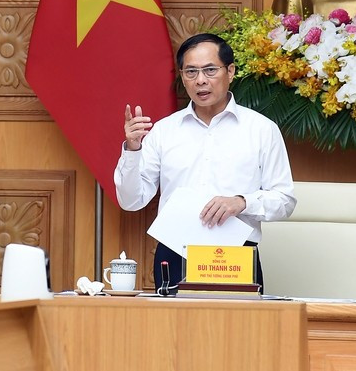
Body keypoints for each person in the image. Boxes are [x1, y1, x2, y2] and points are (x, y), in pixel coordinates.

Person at [114, 33, 296, 291]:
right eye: (191, 72)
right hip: (175, 253)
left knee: (240, 320)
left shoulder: (261, 130)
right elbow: (132, 201)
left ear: (230, 71)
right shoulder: (164, 131)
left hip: (236, 257)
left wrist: (242, 202)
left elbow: (285, 200)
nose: (200, 80)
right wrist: (133, 150)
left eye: (210, 70)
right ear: (182, 76)